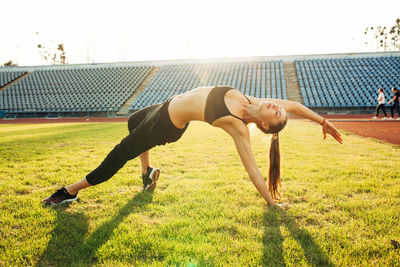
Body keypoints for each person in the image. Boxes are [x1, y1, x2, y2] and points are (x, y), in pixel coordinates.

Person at [42, 86, 342, 208]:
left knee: (120, 153)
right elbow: (297, 107)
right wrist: (322, 122)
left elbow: (252, 169)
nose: (277, 106)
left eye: (276, 113)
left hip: (165, 126)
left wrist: (271, 203)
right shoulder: (250, 100)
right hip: (164, 106)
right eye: (278, 107)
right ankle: (147, 172)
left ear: (265, 125)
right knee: (133, 121)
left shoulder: (238, 126)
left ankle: (70, 191)